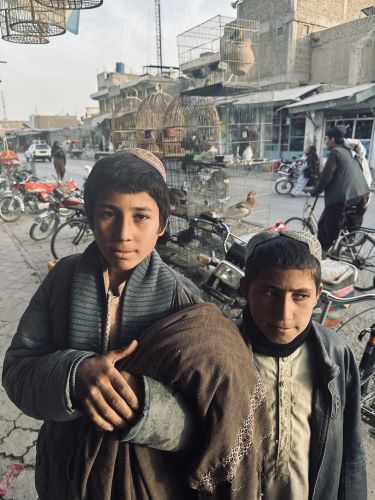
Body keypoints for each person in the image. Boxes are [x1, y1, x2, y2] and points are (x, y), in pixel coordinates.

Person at [2, 149, 270, 499]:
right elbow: (18, 372)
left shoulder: (184, 304)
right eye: (109, 214)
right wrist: (75, 376)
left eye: (141, 216)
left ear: (161, 224)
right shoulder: (62, 281)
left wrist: (142, 405)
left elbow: (208, 425)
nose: (124, 233)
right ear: (90, 215)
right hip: (62, 476)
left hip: (146, 485)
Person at [238, 230, 366, 499]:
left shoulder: (335, 356)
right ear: (245, 289)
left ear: (318, 294)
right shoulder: (221, 352)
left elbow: (351, 452)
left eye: (300, 296)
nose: (284, 313)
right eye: (270, 293)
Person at [310, 126, 369, 257]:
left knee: (325, 228)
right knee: (351, 227)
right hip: (363, 195)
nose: (325, 142)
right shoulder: (349, 151)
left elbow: (326, 177)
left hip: (345, 196)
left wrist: (315, 191)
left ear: (332, 139)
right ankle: (353, 250)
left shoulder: (335, 152)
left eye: (326, 139)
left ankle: (321, 259)